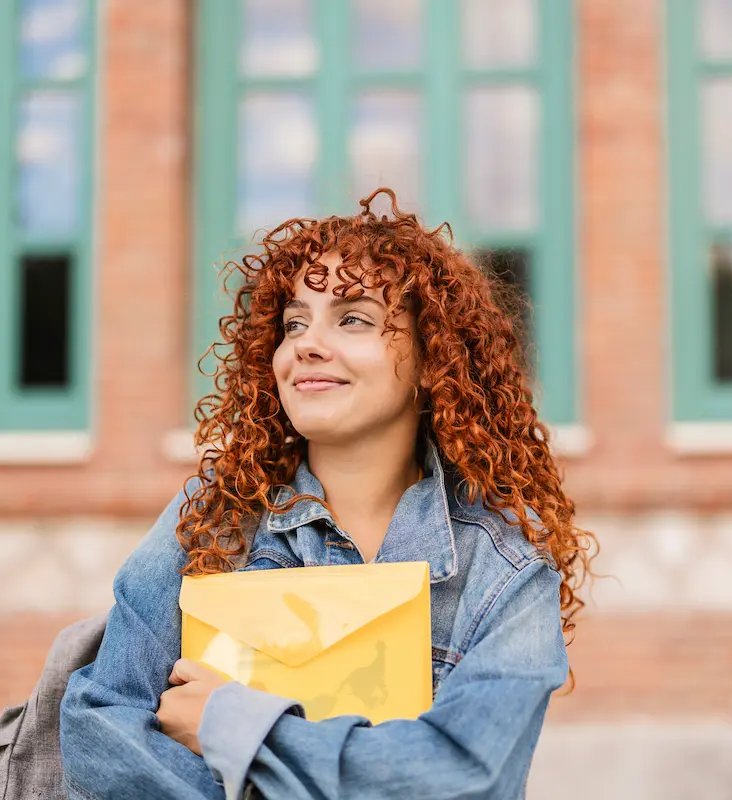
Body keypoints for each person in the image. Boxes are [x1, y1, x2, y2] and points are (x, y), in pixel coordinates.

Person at [60, 188, 597, 799]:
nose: (307, 345)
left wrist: (232, 725)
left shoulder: (504, 571)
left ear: (432, 360)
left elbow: (465, 777)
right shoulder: (214, 520)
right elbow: (98, 729)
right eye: (294, 324)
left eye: (354, 319)